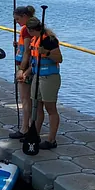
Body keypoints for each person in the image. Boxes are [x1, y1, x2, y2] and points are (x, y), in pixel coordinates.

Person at [22, 16, 63, 150]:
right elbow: (35, 61)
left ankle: (51, 140)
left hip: (49, 78)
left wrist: (46, 52)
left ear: (32, 29)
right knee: (36, 106)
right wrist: (27, 71)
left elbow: (59, 58)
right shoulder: (35, 40)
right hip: (37, 77)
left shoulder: (49, 40)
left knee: (50, 108)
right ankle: (34, 135)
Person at [9, 5, 36, 140]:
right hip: (28, 66)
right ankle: (29, 126)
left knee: (25, 100)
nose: (17, 22)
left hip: (24, 67)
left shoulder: (26, 30)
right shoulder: (31, 28)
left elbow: (27, 51)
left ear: (25, 17)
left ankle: (25, 128)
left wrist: (21, 70)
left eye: (18, 19)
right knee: (28, 99)